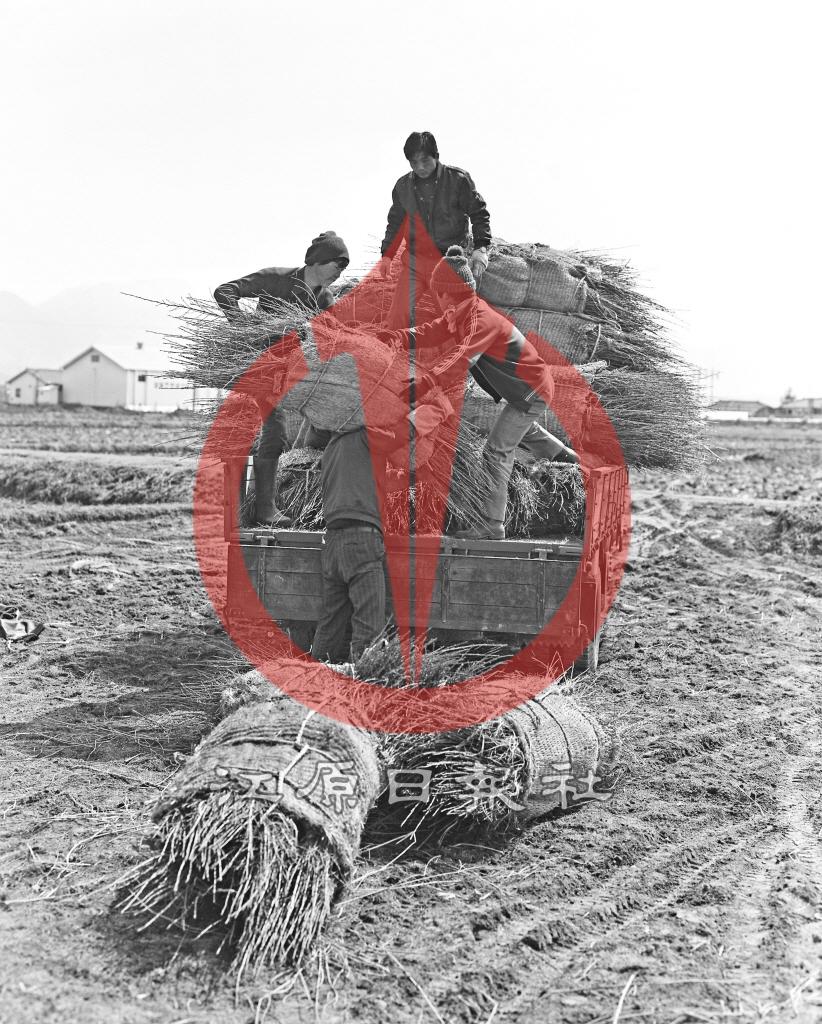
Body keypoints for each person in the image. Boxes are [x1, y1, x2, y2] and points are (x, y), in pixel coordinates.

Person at [385, 245, 579, 541]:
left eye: (437, 293)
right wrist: (398, 337)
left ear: (446, 293)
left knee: (496, 449)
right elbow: (432, 331)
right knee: (524, 430)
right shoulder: (463, 312)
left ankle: (493, 523)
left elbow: (462, 357)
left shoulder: (480, 319)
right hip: (526, 388)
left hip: (531, 390)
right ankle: (570, 459)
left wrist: (427, 381)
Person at [214, 231, 350, 525]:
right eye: (337, 264)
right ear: (318, 260)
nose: (340, 272)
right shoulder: (276, 278)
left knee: (276, 437)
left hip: (281, 374)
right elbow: (224, 291)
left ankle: (263, 509)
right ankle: (245, 510)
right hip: (252, 366)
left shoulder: (324, 298)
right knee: (251, 435)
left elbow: (333, 337)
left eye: (344, 267)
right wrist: (245, 328)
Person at [379, 131, 492, 329]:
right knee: (397, 317)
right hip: (415, 262)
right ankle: (393, 348)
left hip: (447, 264)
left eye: (424, 161)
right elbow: (395, 223)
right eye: (414, 162)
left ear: (436, 156)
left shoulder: (458, 180)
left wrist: (481, 247)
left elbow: (478, 213)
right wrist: (387, 255)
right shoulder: (403, 186)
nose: (420, 167)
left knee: (454, 320)